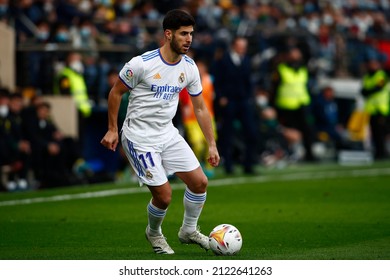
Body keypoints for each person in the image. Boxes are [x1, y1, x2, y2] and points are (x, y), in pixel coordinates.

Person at [100, 9, 220, 255]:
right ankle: (154, 233)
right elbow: (115, 92)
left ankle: (188, 231)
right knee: (164, 196)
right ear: (168, 34)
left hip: (167, 133)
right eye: (183, 34)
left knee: (200, 183)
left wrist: (211, 144)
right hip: (139, 137)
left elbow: (199, 108)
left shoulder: (189, 67)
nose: (189, 39)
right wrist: (113, 129)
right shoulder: (141, 64)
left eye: (191, 34)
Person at [213, 36, 258, 174]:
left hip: (243, 101)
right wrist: (221, 97)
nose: (243, 49)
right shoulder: (222, 60)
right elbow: (217, 79)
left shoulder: (246, 60)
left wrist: (250, 97)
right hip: (229, 101)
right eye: (240, 46)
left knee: (251, 133)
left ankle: (248, 164)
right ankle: (228, 166)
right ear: (234, 46)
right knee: (228, 134)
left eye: (244, 46)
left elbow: (249, 81)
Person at [270, 47, 317, 162]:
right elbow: (274, 88)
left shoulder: (303, 69)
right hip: (285, 106)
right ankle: (287, 153)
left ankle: (309, 155)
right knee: (287, 132)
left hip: (302, 104)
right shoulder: (281, 69)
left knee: (307, 131)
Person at [179, 59, 217, 178]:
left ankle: (209, 167)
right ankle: (196, 164)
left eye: (201, 66)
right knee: (197, 143)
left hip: (208, 116)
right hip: (191, 118)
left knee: (210, 142)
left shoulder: (209, 80)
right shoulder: (186, 79)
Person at [361, 57, 390, 159]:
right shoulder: (367, 77)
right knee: (375, 133)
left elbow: (379, 88)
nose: (371, 66)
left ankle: (383, 152)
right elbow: (363, 91)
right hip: (371, 110)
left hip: (381, 109)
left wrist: (370, 90)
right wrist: (370, 90)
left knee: (382, 132)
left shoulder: (382, 75)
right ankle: (379, 152)